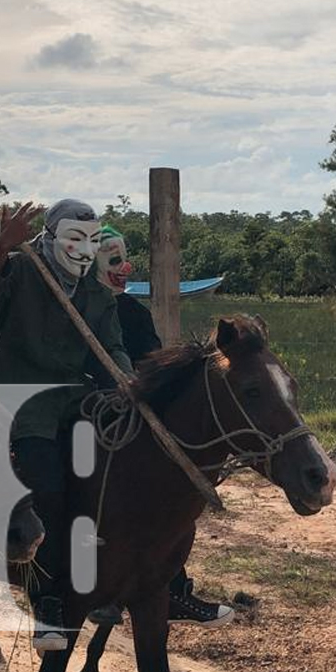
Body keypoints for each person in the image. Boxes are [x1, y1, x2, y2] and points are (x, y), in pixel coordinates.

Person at [0, 199, 131, 651]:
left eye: (92, 240)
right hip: (20, 401)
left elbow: (111, 349)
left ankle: (100, 583)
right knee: (47, 489)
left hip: (74, 401)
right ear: (49, 238)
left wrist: (124, 378)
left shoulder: (96, 295)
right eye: (74, 238)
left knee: (105, 475)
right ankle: (46, 603)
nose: (84, 249)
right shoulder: (20, 271)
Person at [86, 226, 234, 628]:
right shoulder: (78, 305)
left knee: (171, 486)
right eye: (113, 260)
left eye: (124, 258)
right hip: (89, 409)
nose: (124, 267)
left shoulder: (133, 311)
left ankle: (173, 589)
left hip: (133, 408)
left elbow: (152, 361)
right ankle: (99, 585)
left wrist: (140, 384)